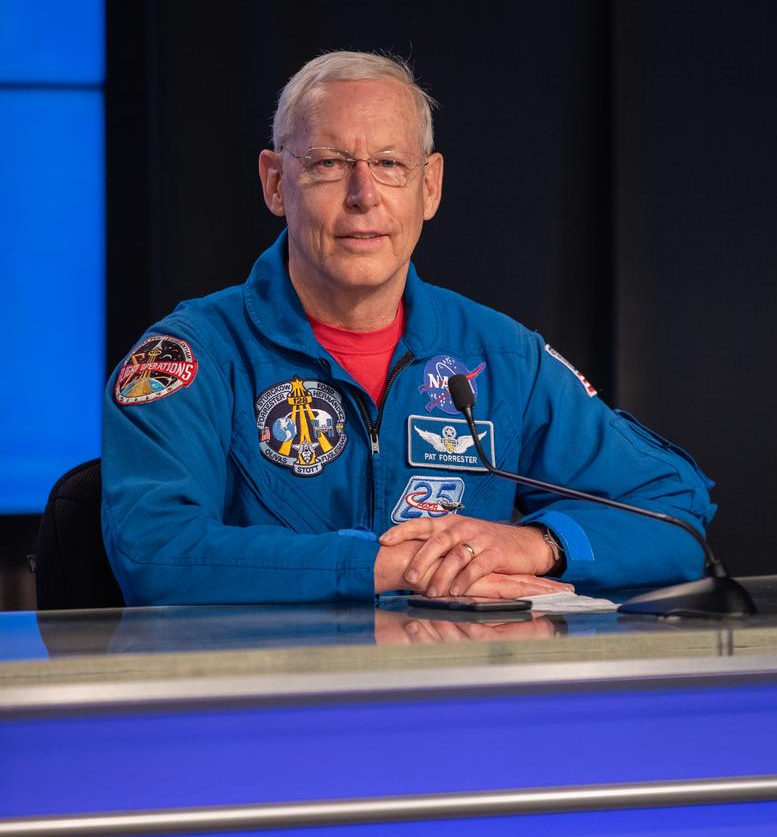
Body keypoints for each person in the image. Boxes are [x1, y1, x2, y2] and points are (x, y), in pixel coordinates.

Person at [102, 51, 715, 605]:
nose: (364, 195)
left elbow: (677, 514)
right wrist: (380, 566)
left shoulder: (500, 357)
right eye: (328, 163)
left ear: (430, 186)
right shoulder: (193, 356)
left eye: (390, 164)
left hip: (452, 710)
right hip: (272, 709)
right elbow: (152, 550)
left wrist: (534, 544)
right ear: (274, 183)